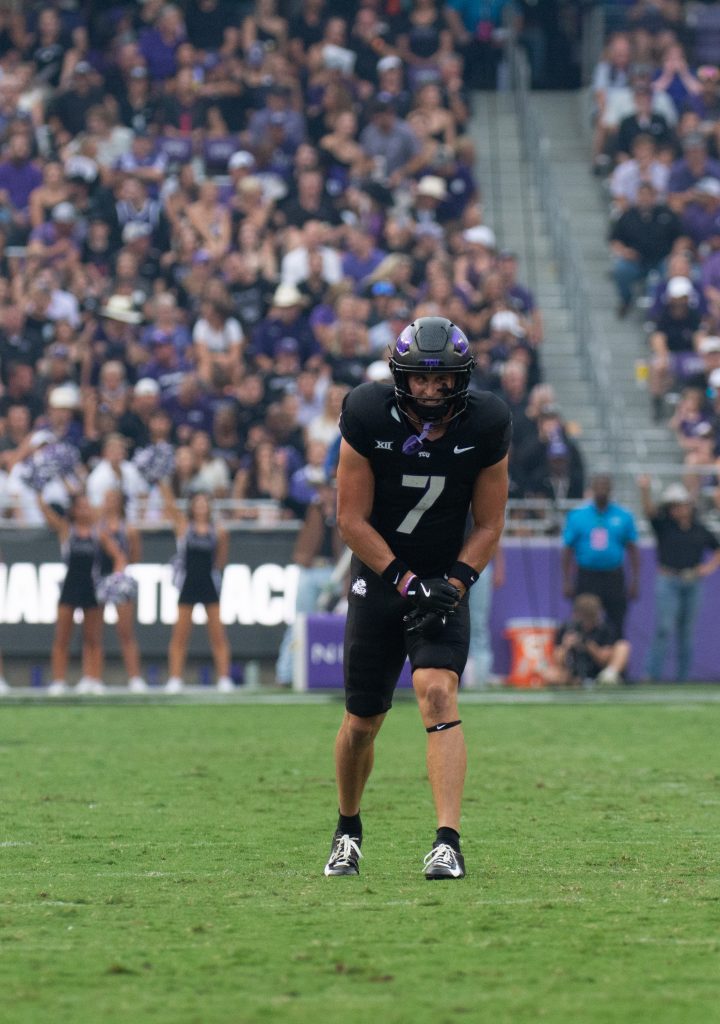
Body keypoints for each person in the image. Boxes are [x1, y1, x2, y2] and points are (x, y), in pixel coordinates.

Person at [324, 316, 511, 880]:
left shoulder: (489, 421)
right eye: (421, 380)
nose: (431, 392)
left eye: (444, 380)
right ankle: (347, 829)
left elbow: (490, 523)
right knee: (362, 720)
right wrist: (406, 580)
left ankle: (447, 840)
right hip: (382, 575)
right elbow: (350, 520)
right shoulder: (363, 411)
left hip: (443, 575)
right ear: (399, 376)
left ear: (463, 379)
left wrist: (454, 582)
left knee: (436, 693)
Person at [38, 490, 123, 696]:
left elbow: (118, 555)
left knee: (93, 637)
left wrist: (116, 578)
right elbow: (48, 516)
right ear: (74, 510)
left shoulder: (98, 532)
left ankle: (93, 678)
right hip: (70, 586)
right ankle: (58, 681)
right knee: (62, 637)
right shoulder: (67, 530)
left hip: (92, 587)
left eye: (88, 506)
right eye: (81, 506)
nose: (85, 510)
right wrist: (38, 493)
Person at [638, 477, 720, 681]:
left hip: (692, 581)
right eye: (673, 507)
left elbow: (717, 548)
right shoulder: (665, 526)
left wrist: (708, 568)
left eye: (680, 505)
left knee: (687, 632)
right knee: (664, 628)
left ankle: (682, 678)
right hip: (668, 579)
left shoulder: (699, 529)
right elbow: (649, 512)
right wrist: (645, 491)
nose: (677, 510)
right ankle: (652, 675)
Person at [162, 486, 234, 693]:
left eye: (205, 503)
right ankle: (175, 678)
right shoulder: (184, 527)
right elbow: (170, 507)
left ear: (209, 507)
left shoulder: (218, 531)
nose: (201, 507)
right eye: (197, 503)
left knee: (218, 635)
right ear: (192, 507)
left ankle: (224, 678)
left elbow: (220, 560)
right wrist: (160, 480)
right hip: (188, 583)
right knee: (180, 635)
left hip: (209, 583)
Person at [562, 474, 640, 640]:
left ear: (611, 489)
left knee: (616, 622)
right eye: (598, 486)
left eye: (605, 486)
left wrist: (634, 580)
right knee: (584, 620)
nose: (602, 490)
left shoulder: (624, 516)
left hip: (613, 576)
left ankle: (616, 664)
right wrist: (567, 580)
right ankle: (582, 662)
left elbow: (633, 549)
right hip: (587, 576)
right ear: (591, 489)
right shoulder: (577, 515)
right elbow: (568, 549)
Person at [95, 488, 147, 693]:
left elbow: (135, 556)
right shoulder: (96, 526)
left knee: (126, 632)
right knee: (94, 632)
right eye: (107, 498)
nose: (110, 503)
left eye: (114, 499)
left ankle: (135, 677)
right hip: (98, 578)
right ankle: (94, 677)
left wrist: (120, 570)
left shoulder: (129, 529)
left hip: (120, 580)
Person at [541, 594, 631, 687]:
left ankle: (609, 676)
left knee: (623, 646)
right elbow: (557, 660)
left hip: (599, 672)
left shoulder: (604, 628)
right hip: (572, 672)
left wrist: (587, 644)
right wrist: (566, 645)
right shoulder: (567, 629)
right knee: (550, 674)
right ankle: (575, 682)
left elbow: (604, 659)